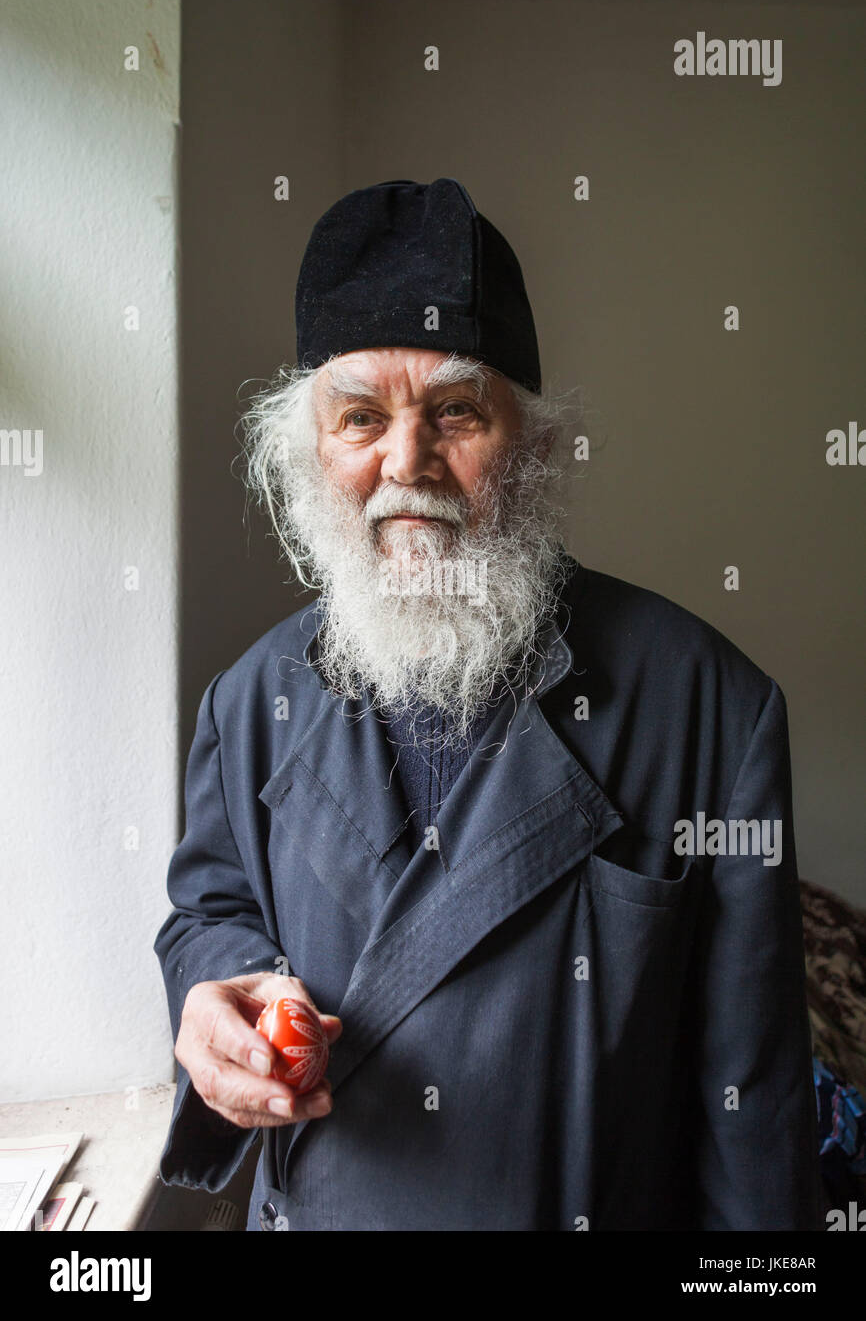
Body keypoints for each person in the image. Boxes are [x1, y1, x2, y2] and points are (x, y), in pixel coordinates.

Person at [154, 178, 822, 1230]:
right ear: (306, 452)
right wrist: (219, 993)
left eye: (455, 412)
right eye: (361, 417)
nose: (406, 464)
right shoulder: (247, 702)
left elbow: (755, 1108)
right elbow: (208, 912)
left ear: (536, 443)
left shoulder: (709, 707)